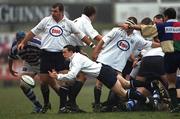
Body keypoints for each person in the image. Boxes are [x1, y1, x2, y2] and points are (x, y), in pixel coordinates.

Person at [17, 3, 94, 113]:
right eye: (52, 11)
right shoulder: (46, 21)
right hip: (46, 54)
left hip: (60, 55)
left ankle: (63, 107)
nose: (52, 13)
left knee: (66, 80)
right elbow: (33, 32)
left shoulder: (69, 23)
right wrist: (23, 42)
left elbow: (81, 35)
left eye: (55, 11)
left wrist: (93, 45)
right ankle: (52, 101)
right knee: (44, 81)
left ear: (61, 12)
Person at [48, 45, 155, 110]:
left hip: (104, 73)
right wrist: (61, 77)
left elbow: (71, 75)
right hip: (104, 71)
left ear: (71, 52)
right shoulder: (74, 59)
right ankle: (149, 85)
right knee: (126, 84)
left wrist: (58, 76)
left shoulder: (76, 59)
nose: (63, 54)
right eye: (62, 52)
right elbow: (72, 76)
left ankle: (148, 101)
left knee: (123, 93)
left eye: (64, 52)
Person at [92, 17, 160, 112]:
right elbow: (103, 40)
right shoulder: (116, 31)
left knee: (120, 86)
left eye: (129, 25)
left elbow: (149, 44)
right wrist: (96, 51)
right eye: (126, 24)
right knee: (99, 83)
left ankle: (112, 105)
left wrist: (162, 45)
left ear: (133, 27)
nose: (126, 26)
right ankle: (97, 105)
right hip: (104, 61)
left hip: (118, 66)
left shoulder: (136, 38)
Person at [124, 8, 180, 112]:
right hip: (176, 54)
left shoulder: (162, 26)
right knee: (174, 83)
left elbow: (144, 28)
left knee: (171, 83)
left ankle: (175, 106)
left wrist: (131, 26)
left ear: (166, 17)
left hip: (167, 56)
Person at [64, 5, 103, 112]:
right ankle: (70, 103)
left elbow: (75, 37)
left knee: (76, 77)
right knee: (81, 77)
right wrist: (108, 41)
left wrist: (79, 51)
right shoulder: (85, 22)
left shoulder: (78, 20)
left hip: (70, 49)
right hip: (69, 50)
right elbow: (95, 36)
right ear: (93, 15)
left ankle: (69, 103)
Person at [8, 32, 50, 113]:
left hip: (41, 62)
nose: (23, 41)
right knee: (23, 85)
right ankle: (38, 106)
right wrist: (10, 69)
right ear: (17, 40)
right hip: (29, 63)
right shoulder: (14, 48)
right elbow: (10, 57)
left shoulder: (36, 43)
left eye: (24, 39)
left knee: (49, 83)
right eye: (20, 40)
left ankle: (64, 104)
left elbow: (46, 52)